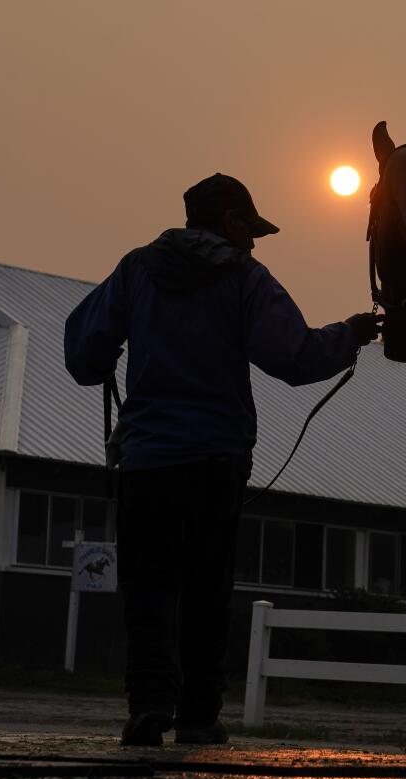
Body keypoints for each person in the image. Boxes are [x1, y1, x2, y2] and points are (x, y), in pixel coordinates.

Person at [64, 173, 381, 746]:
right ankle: (199, 716)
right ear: (232, 222)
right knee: (208, 587)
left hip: (148, 461)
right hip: (215, 460)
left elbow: (84, 353)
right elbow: (294, 357)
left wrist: (114, 353)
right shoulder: (244, 278)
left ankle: (148, 706)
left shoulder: (136, 270)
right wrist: (353, 334)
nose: (255, 242)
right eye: (251, 230)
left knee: (149, 587)